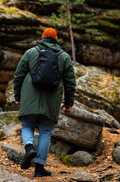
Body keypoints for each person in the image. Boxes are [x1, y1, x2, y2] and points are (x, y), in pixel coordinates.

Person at [14, 28, 76, 177]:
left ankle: (29, 148)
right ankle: (39, 168)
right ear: (56, 39)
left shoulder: (31, 52)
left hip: (30, 97)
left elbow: (19, 75)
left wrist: (17, 96)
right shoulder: (64, 57)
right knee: (46, 132)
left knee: (27, 125)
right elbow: (70, 83)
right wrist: (69, 102)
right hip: (51, 100)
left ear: (42, 38)